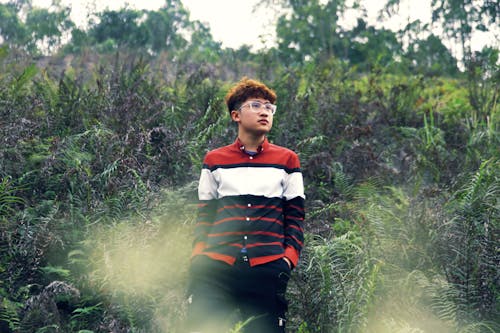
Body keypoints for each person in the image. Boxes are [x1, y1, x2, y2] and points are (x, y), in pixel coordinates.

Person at [186, 77, 305, 333]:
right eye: (255, 105)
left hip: (268, 269)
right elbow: (205, 215)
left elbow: (295, 218)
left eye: (269, 107)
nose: (264, 111)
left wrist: (287, 261)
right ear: (235, 115)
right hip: (215, 268)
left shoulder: (288, 160)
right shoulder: (215, 160)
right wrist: (198, 256)